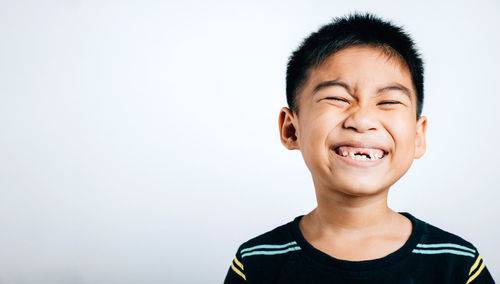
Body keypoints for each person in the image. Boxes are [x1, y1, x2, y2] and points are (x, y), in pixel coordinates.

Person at [223, 13, 495, 283]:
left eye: (389, 101)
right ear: (291, 129)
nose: (362, 120)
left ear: (417, 137)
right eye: (336, 98)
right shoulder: (256, 262)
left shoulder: (456, 263)